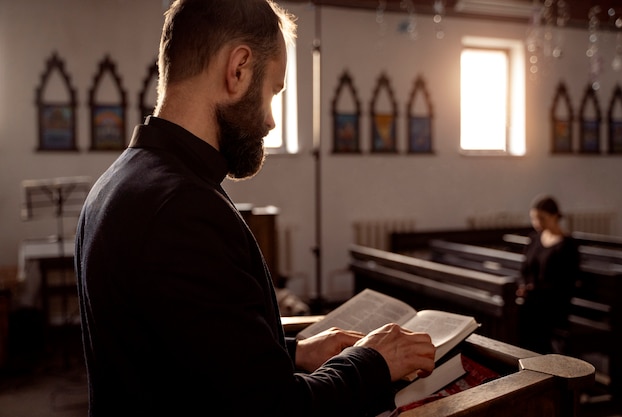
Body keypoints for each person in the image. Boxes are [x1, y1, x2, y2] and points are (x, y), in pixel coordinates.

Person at [74, 1, 436, 416]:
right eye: (274, 92)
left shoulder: (120, 180)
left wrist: (295, 353)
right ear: (239, 69)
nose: (271, 121)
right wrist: (373, 360)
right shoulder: (183, 209)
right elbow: (274, 409)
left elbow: (183, 352)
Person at [516, 195, 580, 354]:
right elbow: (524, 269)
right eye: (534, 219)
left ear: (554, 216)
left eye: (541, 218)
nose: (537, 223)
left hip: (554, 303)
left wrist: (534, 290)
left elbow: (565, 282)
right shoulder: (534, 239)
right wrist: (523, 286)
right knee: (517, 311)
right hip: (533, 299)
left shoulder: (567, 244)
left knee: (524, 315)